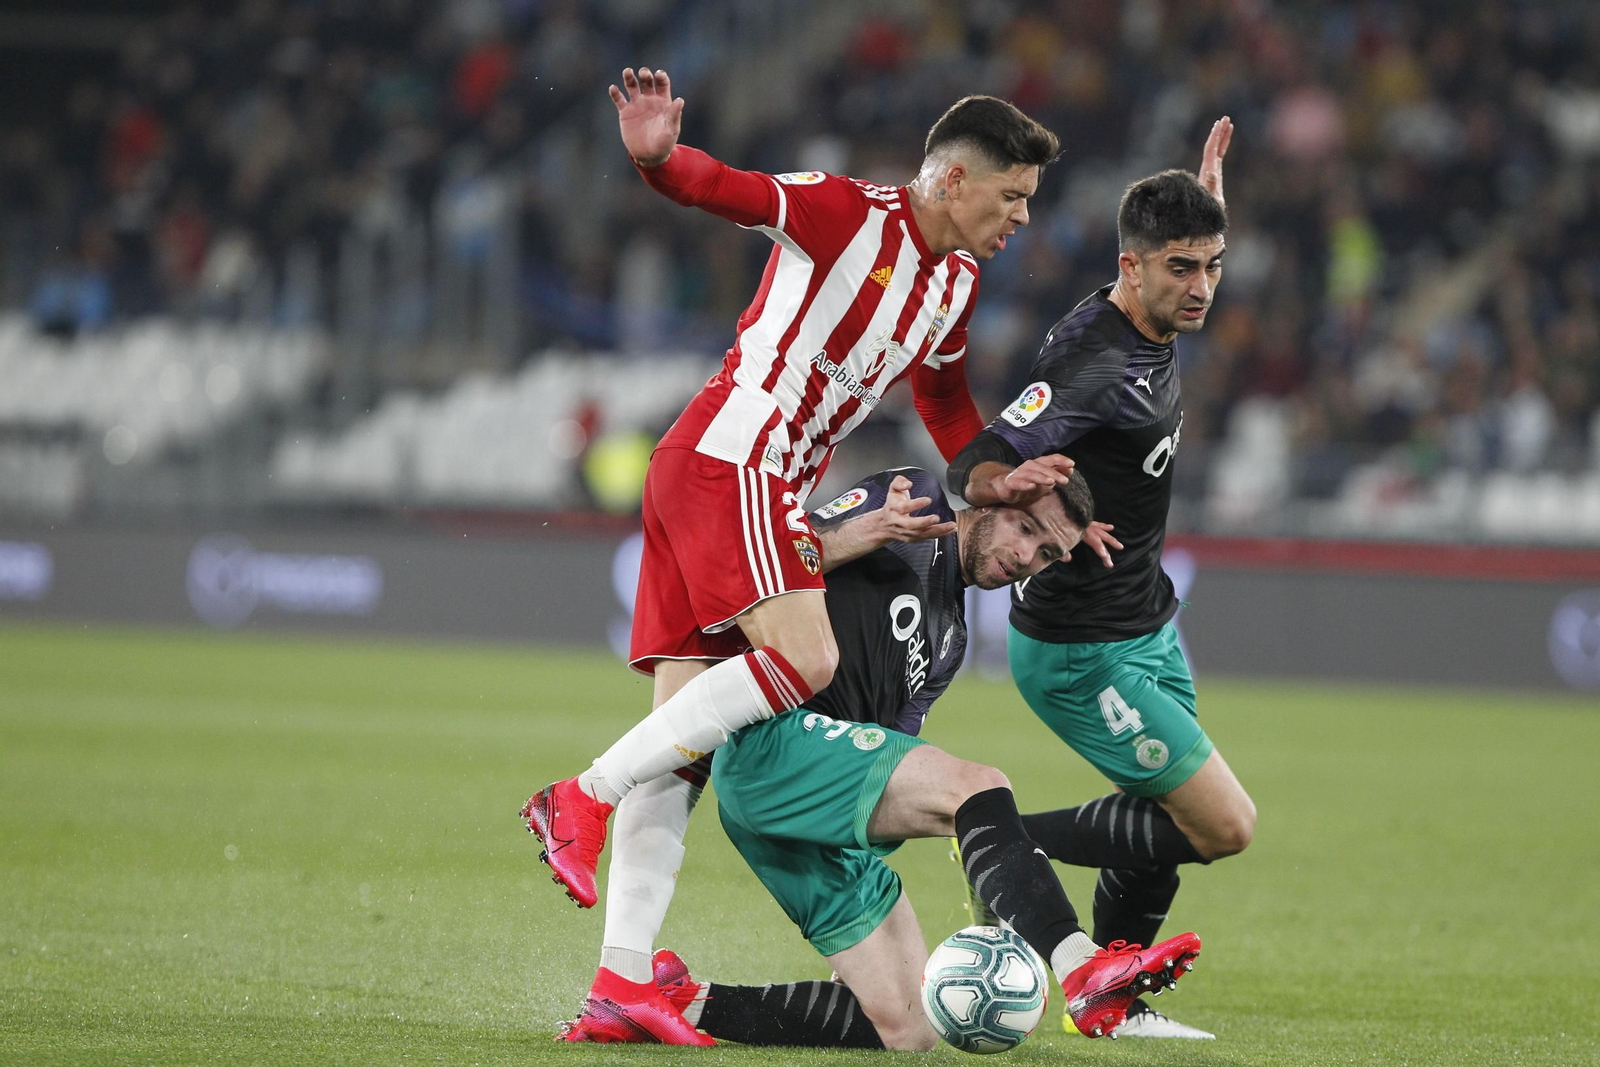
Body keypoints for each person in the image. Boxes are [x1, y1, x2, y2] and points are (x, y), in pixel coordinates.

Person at [521, 67, 1064, 1041]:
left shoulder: (954, 282)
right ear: (950, 178)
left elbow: (943, 404)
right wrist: (654, 157)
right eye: (1011, 196)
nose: (1021, 217)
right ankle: (580, 795)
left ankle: (621, 979)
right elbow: (720, 186)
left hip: (723, 467)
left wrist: (993, 476)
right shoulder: (846, 210)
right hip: (739, 451)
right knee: (806, 658)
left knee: (679, 743)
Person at [561, 467, 1202, 1048]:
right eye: (1026, 528)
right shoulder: (909, 503)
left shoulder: (950, 641)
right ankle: (1080, 964)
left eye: (1047, 553)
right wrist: (862, 531)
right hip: (773, 743)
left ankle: (677, 1001)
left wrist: (993, 870)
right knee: (978, 786)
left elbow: (894, 759)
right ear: (991, 498)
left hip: (815, 797)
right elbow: (766, 560)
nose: (1025, 557)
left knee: (909, 1025)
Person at [943, 118, 1254, 1040]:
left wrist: (1204, 209)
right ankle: (1006, 839)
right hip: (1081, 647)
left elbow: (1187, 249)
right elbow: (977, 462)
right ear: (1130, 266)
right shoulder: (1093, 361)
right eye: (1181, 268)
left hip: (1145, 620)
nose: (1200, 287)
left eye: (1213, 265)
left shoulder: (1153, 307)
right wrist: (1017, 486)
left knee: (1166, 817)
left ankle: (1115, 1004)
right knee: (1222, 825)